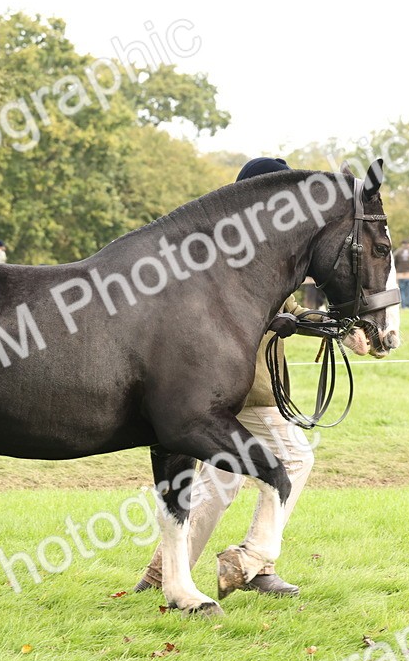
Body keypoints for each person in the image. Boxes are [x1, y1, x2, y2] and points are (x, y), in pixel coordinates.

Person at [133, 156, 314, 599]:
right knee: (294, 458)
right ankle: (252, 559)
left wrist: (313, 320)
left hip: (243, 385)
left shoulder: (248, 241)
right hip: (244, 387)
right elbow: (232, 313)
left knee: (223, 477)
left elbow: (281, 305)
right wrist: (279, 319)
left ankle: (165, 570)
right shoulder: (239, 246)